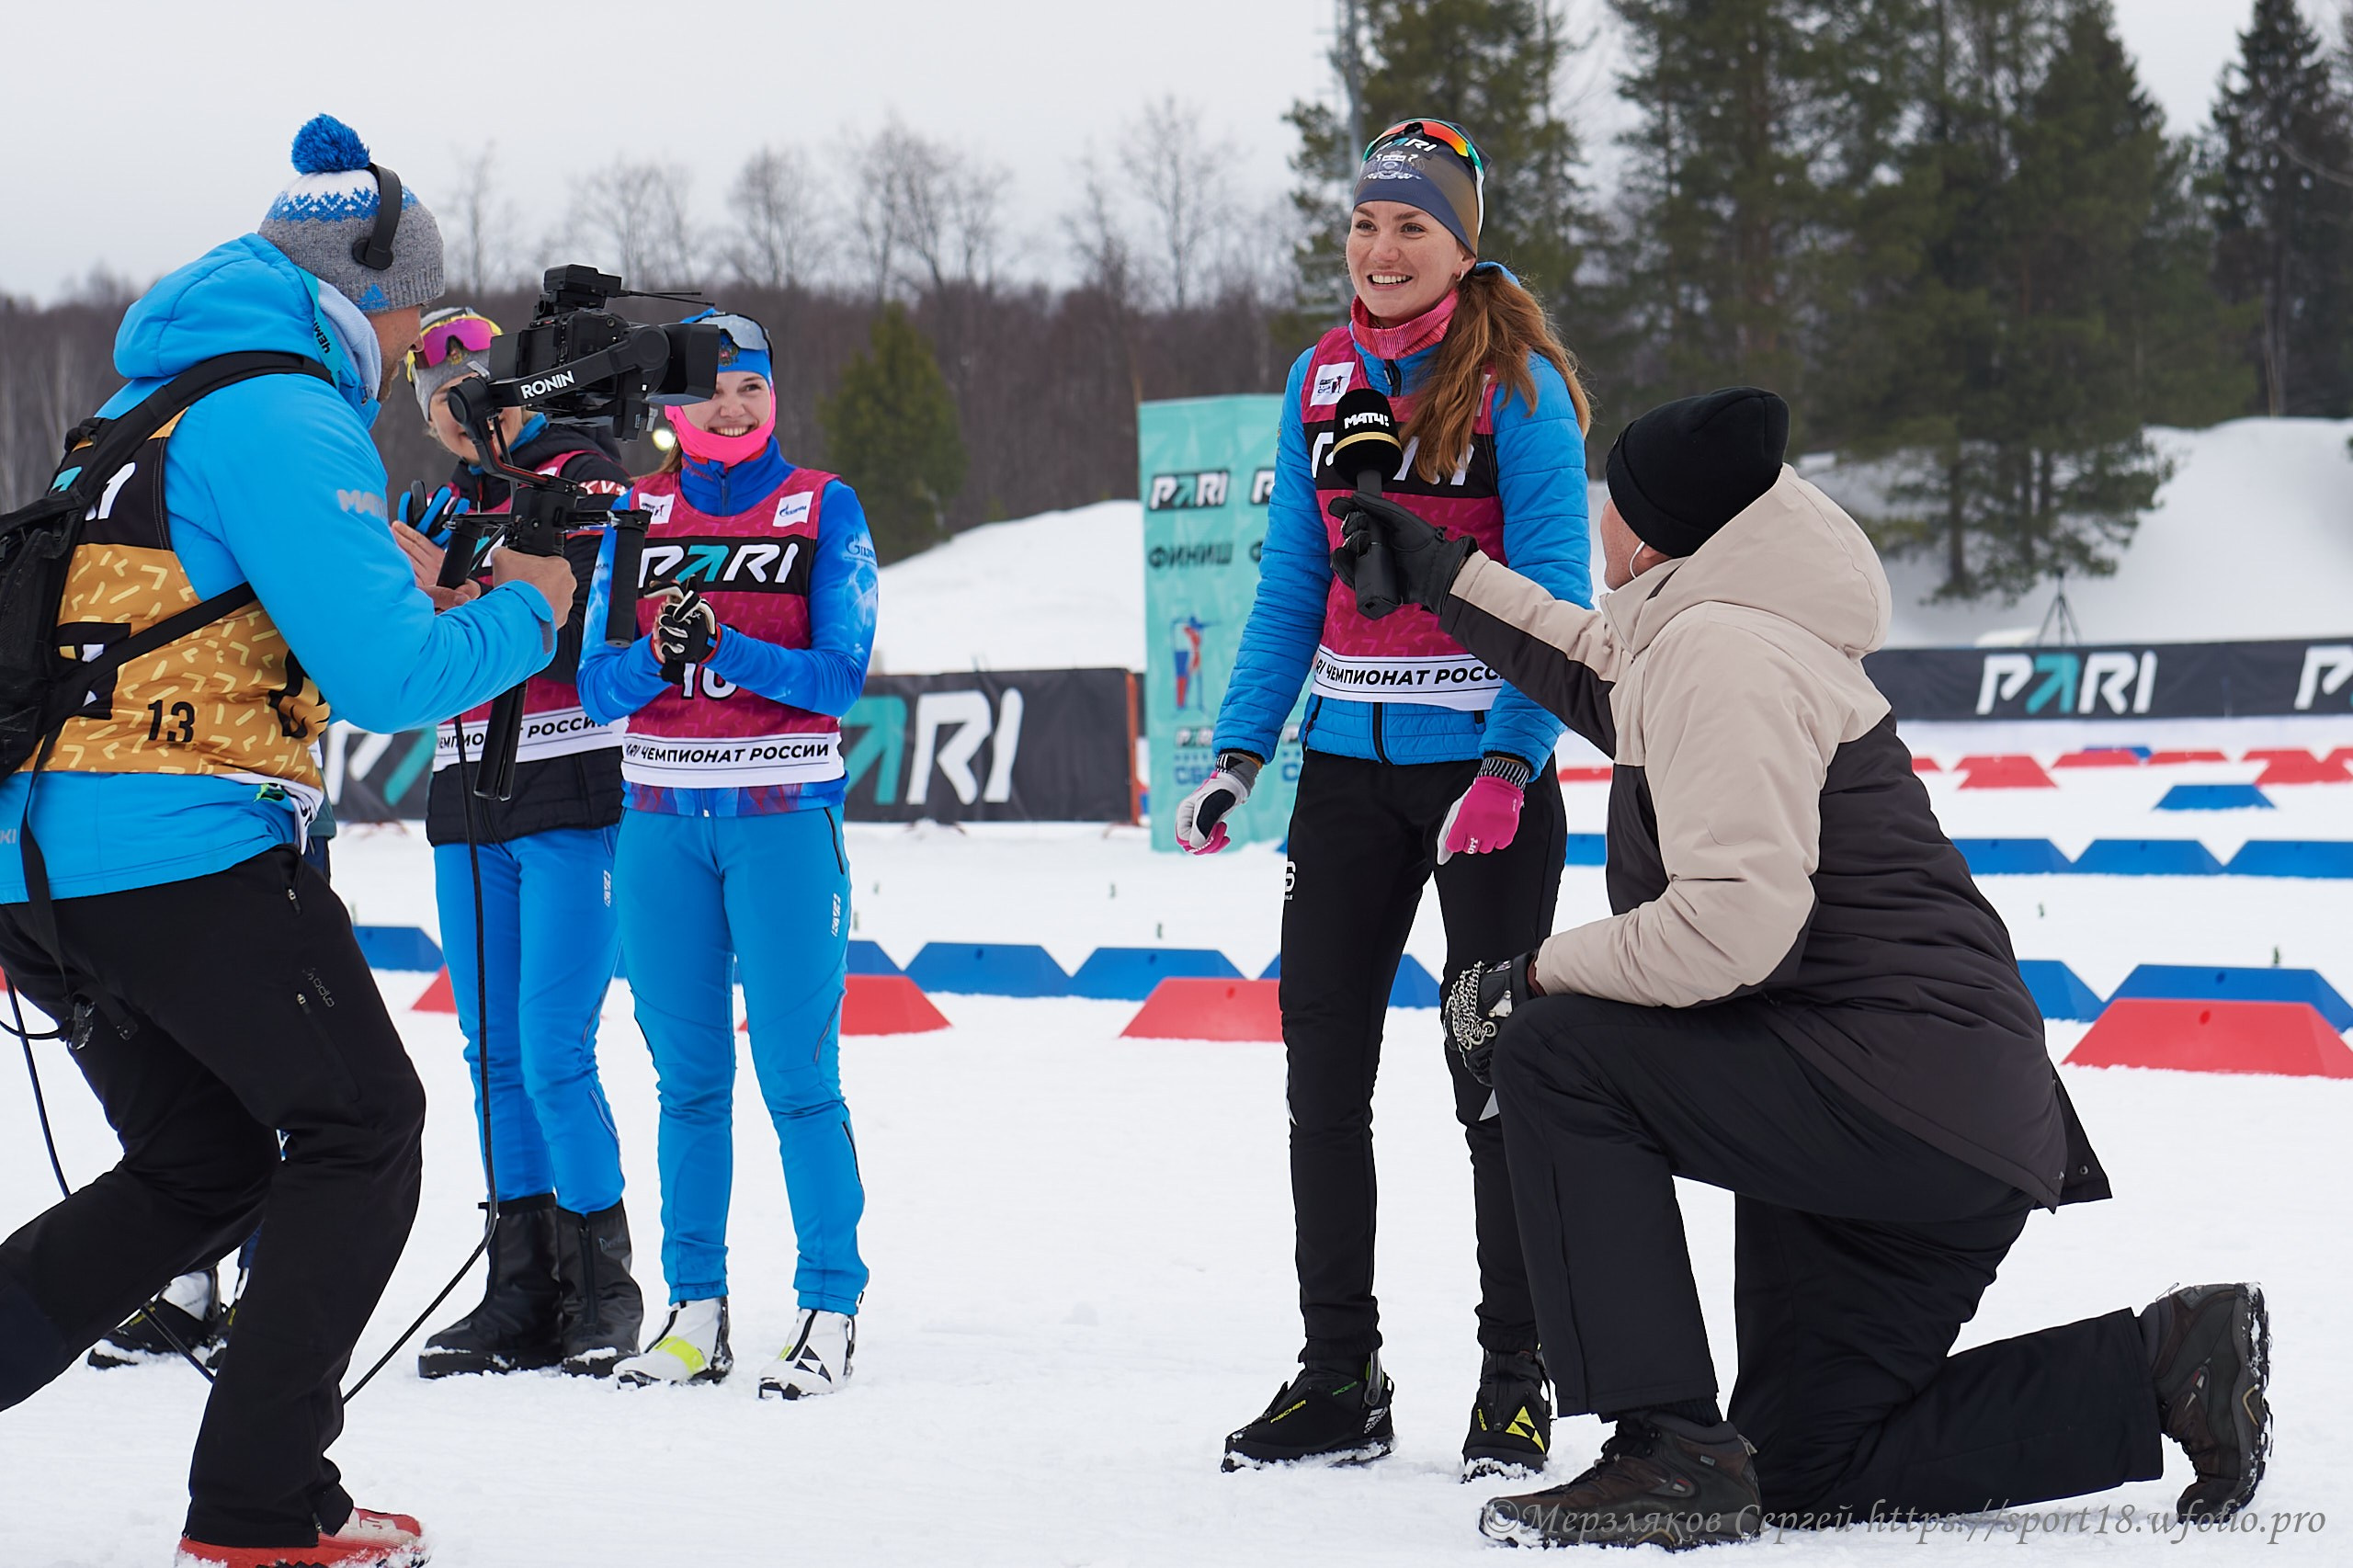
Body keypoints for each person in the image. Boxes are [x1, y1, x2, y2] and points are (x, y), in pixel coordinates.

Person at [1328, 387, 2273, 1547]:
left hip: (1889, 1094)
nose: (1598, 525)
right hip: (1926, 1110)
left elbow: (1732, 925)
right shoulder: (1726, 626)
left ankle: (1665, 1448)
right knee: (1802, 1461)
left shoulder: (1721, 654)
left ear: (1657, 532)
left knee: (1557, 1052)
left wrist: (1529, 975)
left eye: (1610, 502)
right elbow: (1602, 670)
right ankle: (2169, 1367)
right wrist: (1443, 571)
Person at [0, 116, 576, 1568]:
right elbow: (388, 683)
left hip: (41, 864)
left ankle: (267, 1490)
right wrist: (535, 606)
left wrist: (433, 572)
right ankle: (259, 1507)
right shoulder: (284, 409)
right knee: (360, 1127)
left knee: (202, 1161)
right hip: (176, 845)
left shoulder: (155, 404)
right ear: (362, 291)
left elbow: (238, 618)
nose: (418, 347)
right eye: (414, 312)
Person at [1176, 119, 1594, 1477]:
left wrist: (1510, 761)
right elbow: (1294, 586)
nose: (1382, 247)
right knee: (1322, 1076)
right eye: (1365, 223)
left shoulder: (1517, 386)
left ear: (1463, 245)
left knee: (1495, 1077)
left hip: (1483, 773)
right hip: (1348, 771)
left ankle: (1515, 1375)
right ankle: (1338, 1373)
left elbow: (1551, 597)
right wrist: (1242, 750)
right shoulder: (1319, 379)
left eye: (1412, 224)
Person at [575, 309, 880, 1401]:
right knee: (687, 1080)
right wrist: (660, 653)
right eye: (709, 389)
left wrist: (731, 645)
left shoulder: (819, 506)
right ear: (668, 406)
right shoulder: (635, 516)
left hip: (783, 813)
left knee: (798, 1076)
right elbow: (597, 689)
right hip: (659, 819)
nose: (731, 406)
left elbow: (841, 677)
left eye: (751, 386)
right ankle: (693, 1309)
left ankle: (829, 1306)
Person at [385, 306, 646, 1381]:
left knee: (551, 1048)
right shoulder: (437, 499)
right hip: (466, 788)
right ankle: (520, 1282)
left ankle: (603, 1284)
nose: (448, 416)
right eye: (429, 398)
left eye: (463, 393)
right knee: (488, 1049)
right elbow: (411, 658)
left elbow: (582, 628)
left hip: (567, 776)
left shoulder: (575, 471)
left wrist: (460, 594)